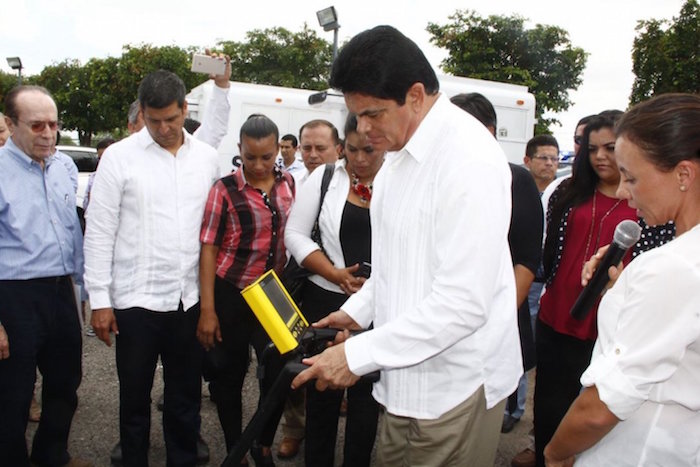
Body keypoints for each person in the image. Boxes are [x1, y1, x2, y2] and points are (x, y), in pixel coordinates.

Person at [291, 26, 521, 466]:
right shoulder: (397, 156)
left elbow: (462, 305)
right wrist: (357, 313)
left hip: (456, 387)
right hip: (401, 385)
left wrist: (356, 356)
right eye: (357, 115)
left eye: (374, 114)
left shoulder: (468, 159)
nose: (364, 129)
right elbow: (396, 265)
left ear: (416, 96)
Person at [544, 93, 700, 466]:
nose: (626, 196)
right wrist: (623, 287)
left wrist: (555, 453)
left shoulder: (673, 266)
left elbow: (602, 407)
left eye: (631, 178)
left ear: (683, 174)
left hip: (636, 449)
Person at [84, 70, 220, 466]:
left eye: (171, 119)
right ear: (141, 112)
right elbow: (99, 231)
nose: (163, 128)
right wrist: (100, 301)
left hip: (187, 300)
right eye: (154, 119)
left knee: (184, 398)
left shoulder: (207, 158)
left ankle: (182, 458)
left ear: (184, 110)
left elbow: (212, 231)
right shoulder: (119, 158)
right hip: (135, 301)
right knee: (134, 397)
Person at [533, 112, 638, 466]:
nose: (600, 156)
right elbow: (548, 248)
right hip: (555, 318)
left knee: (592, 420)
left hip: (605, 331)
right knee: (548, 407)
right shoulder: (566, 190)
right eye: (592, 148)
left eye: (610, 147)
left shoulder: (643, 199)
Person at [0, 85, 90, 467]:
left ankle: (51, 455)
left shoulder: (63, 169)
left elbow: (72, 232)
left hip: (60, 291)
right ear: (9, 123)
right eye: (37, 125)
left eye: (53, 124)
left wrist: (80, 293)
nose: (48, 133)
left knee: (66, 384)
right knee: (13, 395)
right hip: (13, 295)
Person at [197, 114, 294, 466]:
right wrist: (208, 310)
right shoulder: (223, 189)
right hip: (231, 293)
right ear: (239, 150)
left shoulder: (289, 185)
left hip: (273, 293)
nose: (257, 164)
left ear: (277, 151)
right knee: (229, 376)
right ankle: (235, 447)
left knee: (281, 370)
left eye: (266, 157)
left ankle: (262, 443)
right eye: (250, 157)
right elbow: (208, 247)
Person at [285, 114, 381, 466]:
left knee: (366, 399)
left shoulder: (399, 180)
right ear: (342, 147)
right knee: (322, 393)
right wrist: (334, 273)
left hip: (378, 305)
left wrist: (377, 286)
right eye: (351, 150)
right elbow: (294, 234)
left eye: (369, 150)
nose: (359, 159)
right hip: (324, 297)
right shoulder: (326, 177)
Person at [450, 92, 543, 435]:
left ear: (489, 131)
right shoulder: (445, 178)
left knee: (478, 425)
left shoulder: (516, 180)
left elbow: (527, 259)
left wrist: (496, 319)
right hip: (449, 323)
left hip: (494, 321)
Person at [294, 120, 342, 185]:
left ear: (338, 150)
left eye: (321, 149)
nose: (313, 155)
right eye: (307, 148)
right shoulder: (291, 183)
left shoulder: (349, 185)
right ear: (299, 149)